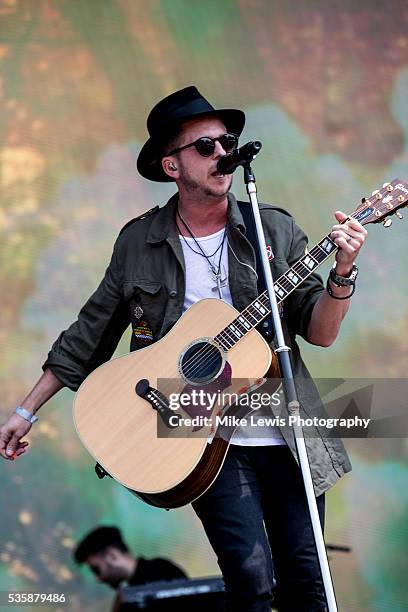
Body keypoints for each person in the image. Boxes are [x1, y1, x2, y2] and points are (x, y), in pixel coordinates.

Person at [0, 86, 367, 611]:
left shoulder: (273, 228)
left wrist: (343, 272)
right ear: (172, 166)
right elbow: (90, 332)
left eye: (227, 143)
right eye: (206, 146)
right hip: (200, 438)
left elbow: (322, 331)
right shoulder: (139, 242)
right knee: (252, 581)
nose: (223, 154)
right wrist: (25, 410)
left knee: (307, 581)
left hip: (290, 430)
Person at [73, 525, 187, 589]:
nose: (98, 579)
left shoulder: (162, 570)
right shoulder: (132, 591)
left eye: (96, 570)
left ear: (112, 555)